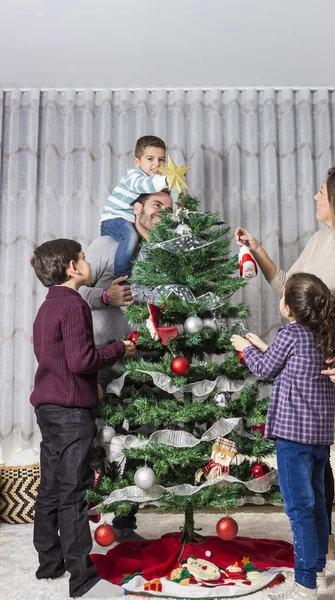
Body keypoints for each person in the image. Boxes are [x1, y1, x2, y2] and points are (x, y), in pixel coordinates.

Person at [235, 166, 335, 582]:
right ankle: (319, 545)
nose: (314, 196)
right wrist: (257, 249)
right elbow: (291, 287)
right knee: (317, 459)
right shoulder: (319, 240)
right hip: (314, 369)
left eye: (322, 192)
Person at [30, 239, 137, 598]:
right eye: (84, 258)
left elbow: (54, 358)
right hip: (70, 412)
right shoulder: (74, 305)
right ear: (73, 268)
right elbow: (80, 360)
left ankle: (49, 563)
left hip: (46, 406)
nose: (88, 262)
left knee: (51, 486)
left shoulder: (47, 306)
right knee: (74, 491)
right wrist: (120, 348)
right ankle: (83, 579)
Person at [231, 273, 335, 600]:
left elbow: (266, 370)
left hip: (293, 439)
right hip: (318, 437)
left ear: (290, 308)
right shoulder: (322, 335)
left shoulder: (290, 333)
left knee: (299, 508)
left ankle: (305, 582)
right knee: (317, 503)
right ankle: (318, 570)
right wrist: (262, 346)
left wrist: (244, 349)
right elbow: (290, 365)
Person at [80, 190, 173, 538]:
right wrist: (107, 296)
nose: (162, 212)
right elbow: (72, 294)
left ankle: (124, 524)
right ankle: (80, 525)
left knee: (136, 444)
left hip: (145, 360)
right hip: (103, 359)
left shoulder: (165, 254)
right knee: (94, 442)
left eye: (168, 207)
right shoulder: (105, 245)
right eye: (155, 205)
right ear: (137, 209)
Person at [100, 135, 169, 280]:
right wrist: (169, 179)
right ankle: (120, 279)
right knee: (130, 236)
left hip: (129, 220)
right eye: (150, 159)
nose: (157, 164)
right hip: (114, 219)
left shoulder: (153, 180)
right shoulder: (134, 177)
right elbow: (145, 184)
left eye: (161, 159)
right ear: (137, 162)